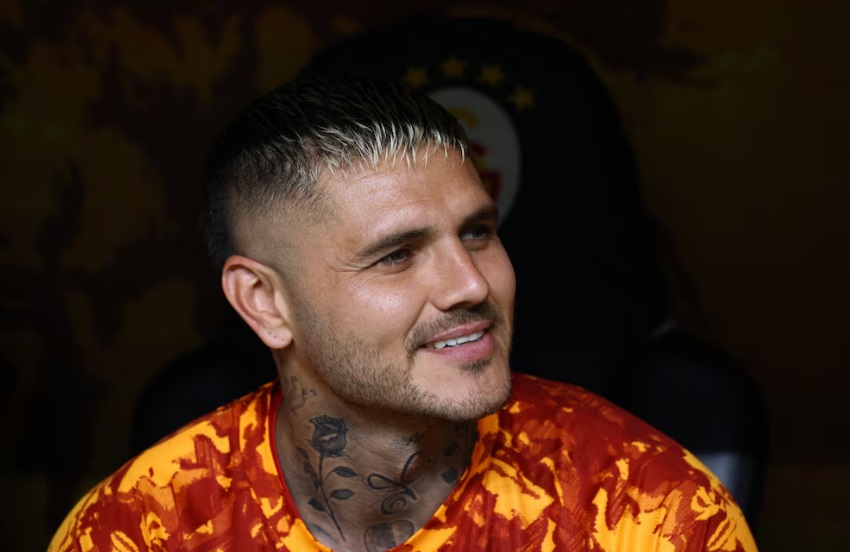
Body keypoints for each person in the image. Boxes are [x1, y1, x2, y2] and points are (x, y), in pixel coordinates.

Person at [48, 75, 758, 552]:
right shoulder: (140, 529)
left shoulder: (646, 510)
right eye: (396, 255)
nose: (470, 284)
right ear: (265, 302)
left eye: (477, 233)